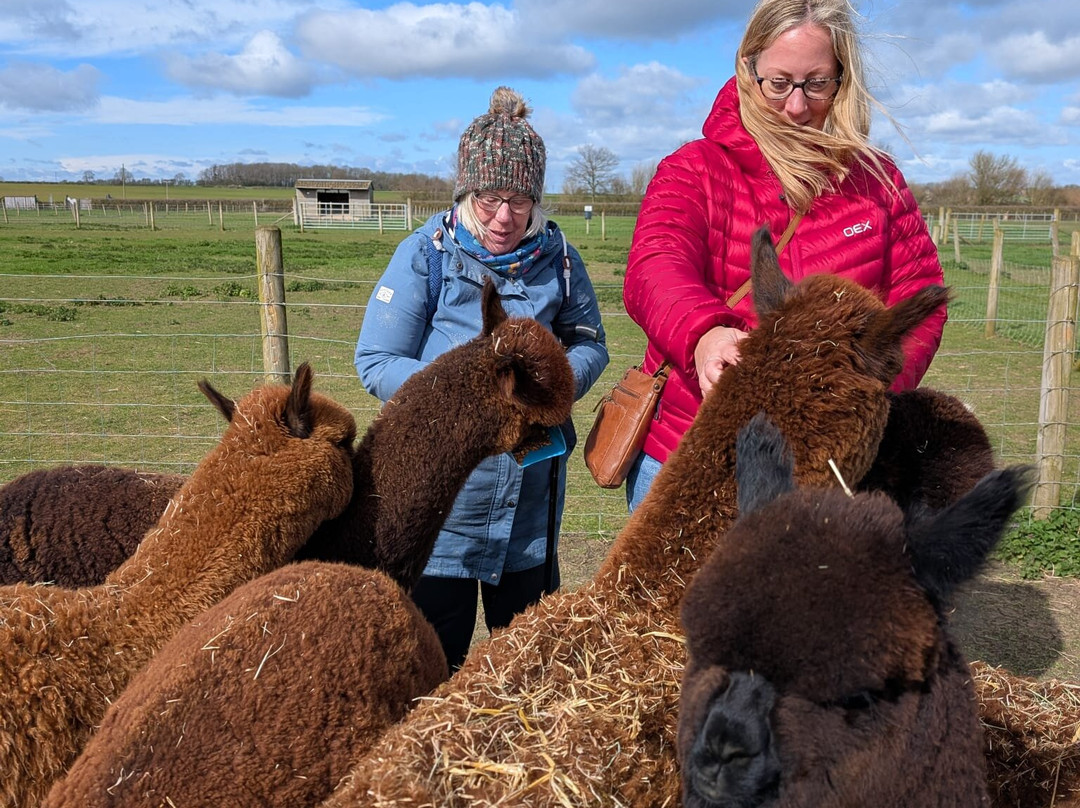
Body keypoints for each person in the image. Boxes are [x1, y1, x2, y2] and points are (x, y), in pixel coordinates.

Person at [622, 0, 946, 512]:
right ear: (748, 69)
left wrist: (861, 396)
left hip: (826, 466)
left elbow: (919, 299)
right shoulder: (696, 169)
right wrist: (705, 334)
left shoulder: (876, 182)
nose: (796, 106)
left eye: (816, 83)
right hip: (696, 452)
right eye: (779, 83)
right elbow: (655, 265)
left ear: (843, 77)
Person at [354, 86, 609, 670]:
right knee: (430, 664)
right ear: (468, 190)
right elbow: (377, 361)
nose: (504, 216)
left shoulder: (561, 259)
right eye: (491, 197)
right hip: (440, 504)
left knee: (529, 671)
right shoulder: (427, 255)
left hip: (530, 505)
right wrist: (469, 403)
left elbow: (591, 344)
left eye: (520, 200)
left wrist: (548, 387)